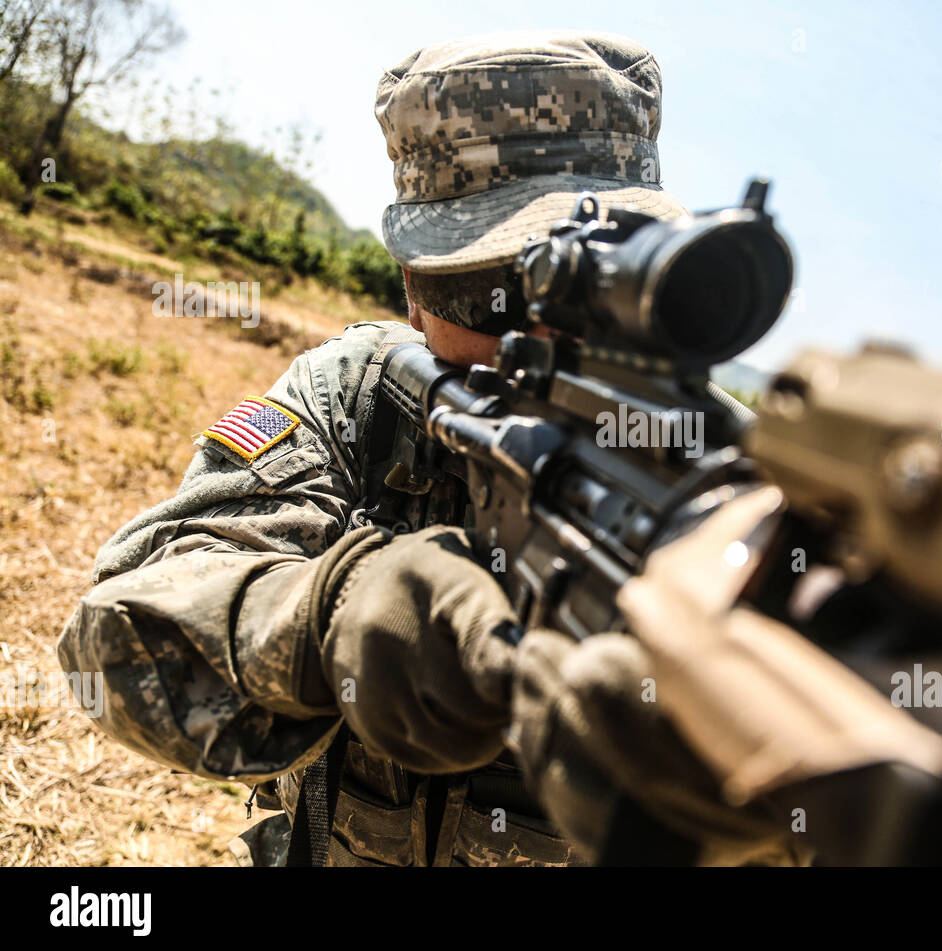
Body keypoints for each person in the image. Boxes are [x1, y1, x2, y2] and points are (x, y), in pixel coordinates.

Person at [56, 30, 687, 867]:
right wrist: (329, 620)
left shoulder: (707, 471)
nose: (532, 334)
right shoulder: (361, 396)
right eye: (482, 290)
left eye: (584, 280)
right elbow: (118, 641)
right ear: (413, 289)